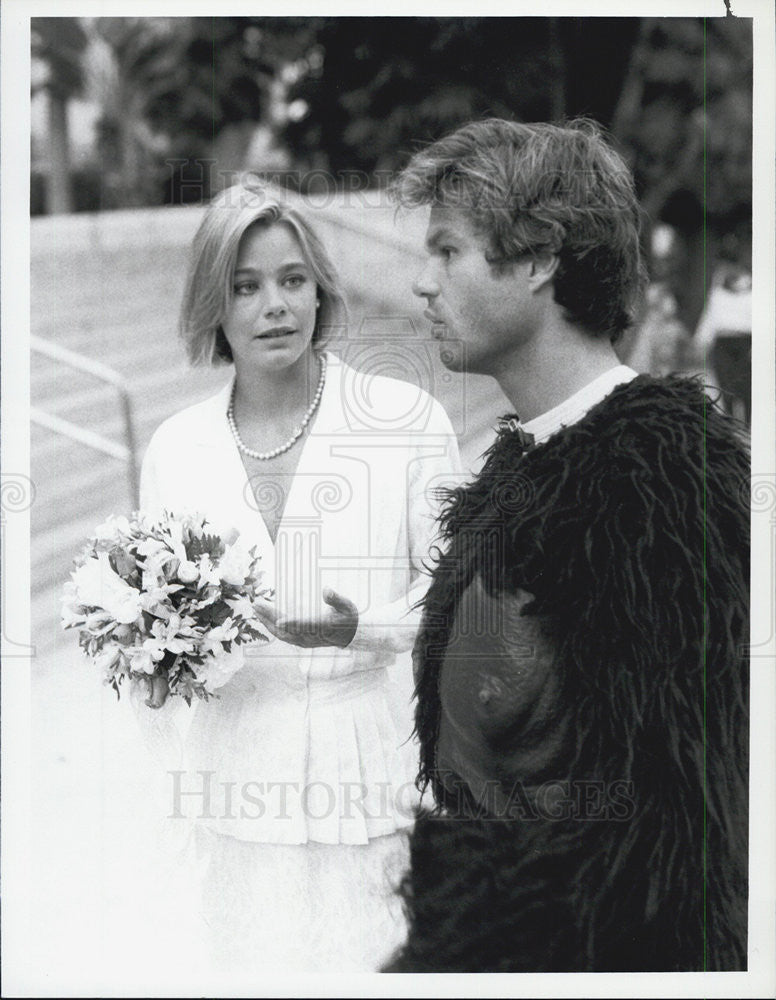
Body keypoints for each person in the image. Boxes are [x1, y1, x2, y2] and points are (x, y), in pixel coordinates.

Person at [384, 118, 749, 972]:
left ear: (541, 257)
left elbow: (683, 843)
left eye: (448, 252)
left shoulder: (669, 490)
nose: (421, 285)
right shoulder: (516, 475)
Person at [132, 180, 461, 974]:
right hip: (234, 793)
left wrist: (364, 628)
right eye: (244, 287)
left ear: (321, 289)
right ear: (215, 304)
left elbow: (460, 595)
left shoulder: (407, 420)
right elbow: (152, 634)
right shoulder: (176, 449)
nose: (273, 305)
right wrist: (158, 675)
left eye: (291, 279)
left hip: (378, 784)